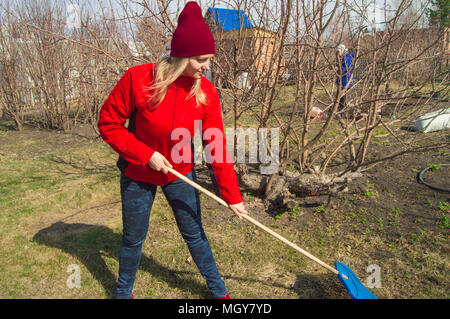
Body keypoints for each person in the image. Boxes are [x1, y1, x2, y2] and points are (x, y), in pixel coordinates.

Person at [97, 1, 248, 299]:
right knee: (133, 239)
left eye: (209, 59)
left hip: (181, 172)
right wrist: (146, 155)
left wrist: (232, 196)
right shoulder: (138, 79)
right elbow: (108, 124)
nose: (208, 66)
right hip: (138, 173)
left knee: (195, 236)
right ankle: (122, 294)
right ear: (182, 56)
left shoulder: (206, 92)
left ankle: (221, 295)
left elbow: (215, 144)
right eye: (202, 59)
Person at [335, 44, 355, 116]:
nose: (337, 53)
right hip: (343, 80)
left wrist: (339, 69)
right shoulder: (341, 57)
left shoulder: (346, 57)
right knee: (341, 97)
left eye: (338, 51)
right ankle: (341, 112)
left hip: (346, 81)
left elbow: (348, 68)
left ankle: (341, 113)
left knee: (342, 98)